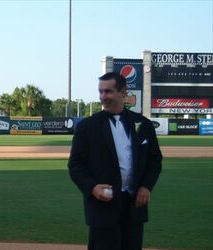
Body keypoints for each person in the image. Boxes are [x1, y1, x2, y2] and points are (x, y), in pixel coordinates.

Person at [68, 72, 162, 250]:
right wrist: (92, 187)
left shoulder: (143, 125)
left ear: (123, 92)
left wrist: (146, 186)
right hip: (102, 207)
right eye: (100, 91)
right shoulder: (87, 127)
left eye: (108, 91)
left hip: (134, 207)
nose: (103, 96)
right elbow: (75, 166)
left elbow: (154, 159)